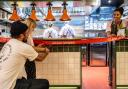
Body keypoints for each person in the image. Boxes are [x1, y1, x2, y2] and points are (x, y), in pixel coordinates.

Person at [0, 21, 49, 89]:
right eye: (26, 33)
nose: (28, 35)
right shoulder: (22, 46)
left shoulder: (8, 44)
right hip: (8, 86)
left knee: (23, 79)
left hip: (3, 83)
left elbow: (28, 49)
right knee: (44, 83)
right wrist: (46, 51)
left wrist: (41, 49)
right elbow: (40, 58)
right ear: (21, 35)